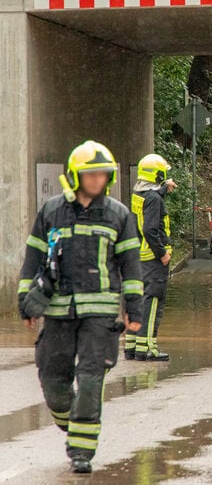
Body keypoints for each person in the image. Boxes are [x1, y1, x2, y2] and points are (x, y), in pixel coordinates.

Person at [17, 140, 143, 474]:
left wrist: (135, 310)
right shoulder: (51, 212)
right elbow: (32, 260)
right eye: (90, 174)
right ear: (75, 175)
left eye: (102, 174)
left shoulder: (119, 215)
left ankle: (82, 452)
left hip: (100, 316)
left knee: (90, 380)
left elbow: (131, 267)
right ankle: (75, 424)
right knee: (54, 383)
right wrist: (25, 302)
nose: (96, 180)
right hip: (58, 313)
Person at [125, 154, 176, 362]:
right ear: (157, 174)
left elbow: (152, 199)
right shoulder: (154, 199)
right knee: (153, 301)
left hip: (139, 257)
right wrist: (162, 253)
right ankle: (147, 348)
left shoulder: (139, 193)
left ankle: (132, 345)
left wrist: (164, 188)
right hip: (153, 259)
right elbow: (150, 229)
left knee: (138, 300)